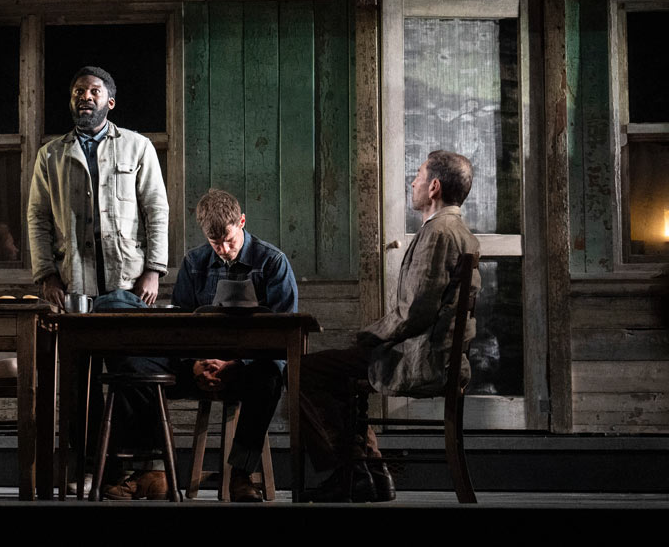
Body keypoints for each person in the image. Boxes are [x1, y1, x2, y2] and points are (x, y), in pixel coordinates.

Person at [299, 150, 481, 502]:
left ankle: (347, 473)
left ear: (434, 187)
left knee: (307, 371)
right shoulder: (455, 230)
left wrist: (367, 336)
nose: (413, 182)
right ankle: (373, 472)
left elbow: (415, 312)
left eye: (418, 174)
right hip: (433, 353)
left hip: (423, 359)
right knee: (342, 367)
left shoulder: (440, 233)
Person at [102, 188, 299, 502]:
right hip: (195, 367)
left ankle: (241, 474)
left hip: (246, 371)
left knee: (272, 373)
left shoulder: (272, 263)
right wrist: (194, 362)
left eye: (229, 241)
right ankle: (153, 470)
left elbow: (282, 338)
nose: (222, 250)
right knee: (132, 365)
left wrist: (236, 365)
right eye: (214, 242)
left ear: (243, 222)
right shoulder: (194, 263)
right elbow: (179, 329)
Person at [27, 65, 169, 307]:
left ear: (110, 103)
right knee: (75, 344)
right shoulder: (51, 155)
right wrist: (47, 276)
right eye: (79, 92)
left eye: (95, 91)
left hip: (128, 282)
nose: (86, 97)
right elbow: (38, 218)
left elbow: (156, 209)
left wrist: (154, 271)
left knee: (127, 344)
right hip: (72, 282)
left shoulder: (137, 146)